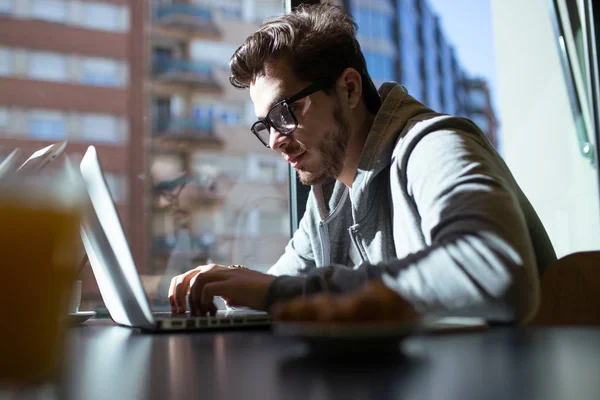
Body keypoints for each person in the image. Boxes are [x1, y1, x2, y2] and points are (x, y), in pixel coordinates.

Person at [168, 3, 556, 324]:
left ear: (349, 89)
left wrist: (272, 291)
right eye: (265, 124)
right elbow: (276, 289)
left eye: (285, 112)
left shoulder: (434, 145)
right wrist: (231, 283)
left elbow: (496, 272)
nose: (274, 139)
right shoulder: (328, 197)